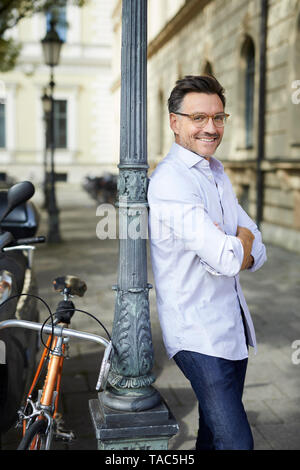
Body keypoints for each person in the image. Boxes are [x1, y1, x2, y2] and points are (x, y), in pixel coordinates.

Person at [147, 75, 267, 450]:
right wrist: (235, 242)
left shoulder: (215, 171)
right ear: (174, 122)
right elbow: (227, 257)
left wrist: (237, 241)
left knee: (212, 436)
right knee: (236, 443)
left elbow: (254, 249)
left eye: (218, 118)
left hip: (232, 327)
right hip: (197, 334)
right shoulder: (171, 181)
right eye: (198, 118)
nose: (210, 128)